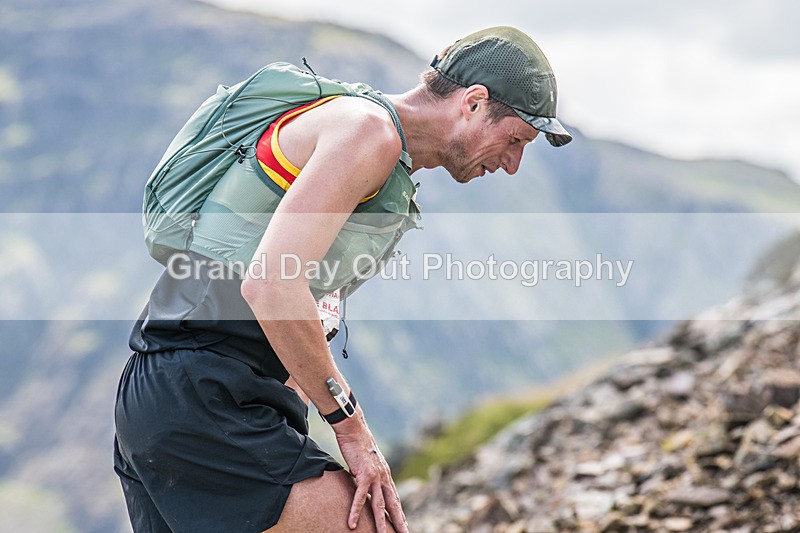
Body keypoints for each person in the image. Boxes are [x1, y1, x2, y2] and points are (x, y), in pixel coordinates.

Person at [114, 26, 571, 533]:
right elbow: (270, 285)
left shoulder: (373, 144)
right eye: (515, 140)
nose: (512, 164)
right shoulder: (367, 133)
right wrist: (355, 435)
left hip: (174, 391)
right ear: (474, 102)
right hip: (203, 394)